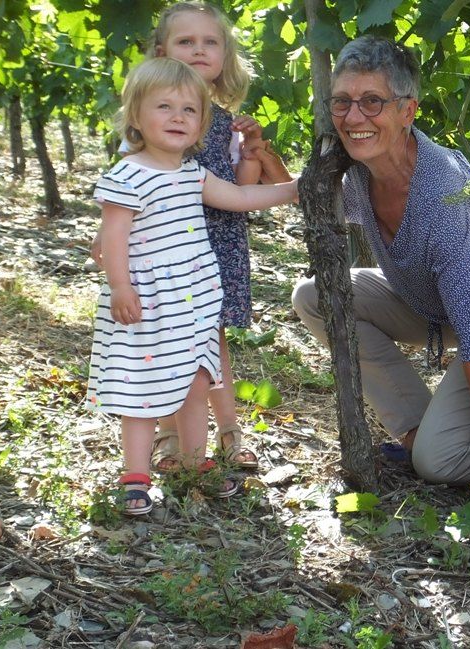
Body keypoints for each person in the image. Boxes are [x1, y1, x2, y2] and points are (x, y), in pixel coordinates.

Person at [291, 35, 470, 523]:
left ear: (407, 111)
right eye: (342, 101)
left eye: (372, 101)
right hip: (431, 306)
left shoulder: (440, 194)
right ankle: (416, 430)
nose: (353, 116)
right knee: (314, 296)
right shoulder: (360, 169)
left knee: (440, 462)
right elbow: (312, 197)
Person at [88, 57, 299, 515]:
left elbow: (240, 197)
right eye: (164, 107)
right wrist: (120, 287)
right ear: (136, 116)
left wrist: (293, 188)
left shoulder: (192, 173)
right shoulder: (127, 175)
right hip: (149, 302)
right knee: (144, 386)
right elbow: (113, 239)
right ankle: (135, 475)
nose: (178, 117)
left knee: (196, 380)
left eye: (189, 110)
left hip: (196, 298)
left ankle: (194, 462)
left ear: (202, 123)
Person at [140, 1, 292, 472]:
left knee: (212, 338)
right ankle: (169, 435)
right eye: (186, 41)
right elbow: (130, 180)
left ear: (225, 55)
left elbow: (242, 188)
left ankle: (229, 431)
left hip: (216, 243)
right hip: (165, 246)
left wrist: (252, 151)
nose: (199, 50)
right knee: (166, 339)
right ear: (162, 51)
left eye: (210, 42)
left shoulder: (228, 122)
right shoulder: (150, 117)